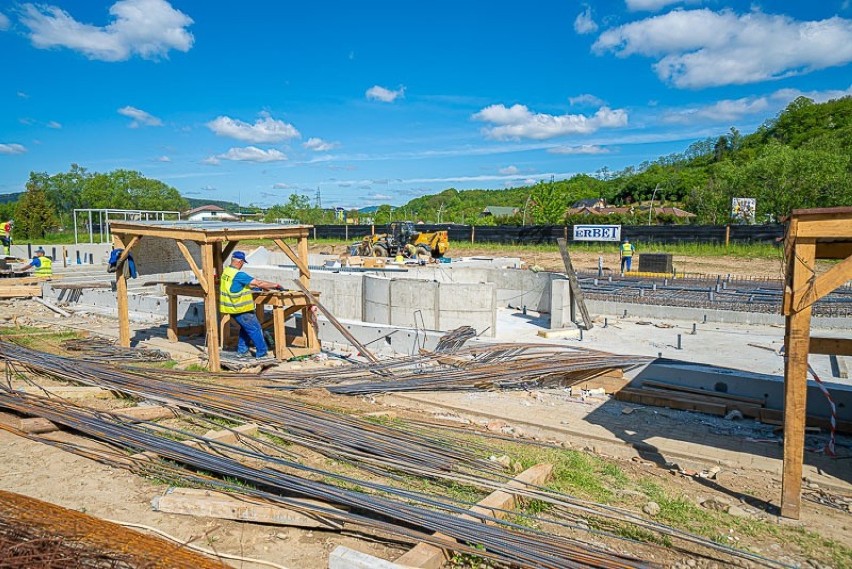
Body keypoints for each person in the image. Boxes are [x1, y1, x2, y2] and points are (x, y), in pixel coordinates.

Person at [219, 251, 283, 359]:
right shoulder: (239, 274)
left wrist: (253, 287)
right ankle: (262, 353)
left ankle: (242, 351)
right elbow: (258, 283)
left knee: (246, 328)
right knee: (255, 329)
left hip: (232, 308)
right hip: (241, 308)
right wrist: (275, 285)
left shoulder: (227, 272)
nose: (243, 265)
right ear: (240, 262)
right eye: (243, 263)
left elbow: (236, 286)